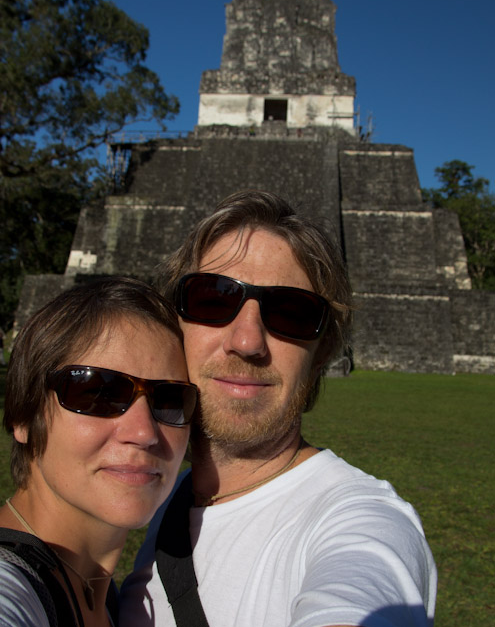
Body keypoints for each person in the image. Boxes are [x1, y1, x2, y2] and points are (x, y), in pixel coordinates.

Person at [120, 191, 437, 627]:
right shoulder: (159, 499)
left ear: (322, 349)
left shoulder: (363, 523)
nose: (248, 342)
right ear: (174, 324)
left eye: (290, 312)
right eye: (212, 299)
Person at [0, 276, 197, 627]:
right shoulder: (11, 589)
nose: (143, 432)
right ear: (22, 416)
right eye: (97, 393)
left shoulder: (101, 593)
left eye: (170, 400)